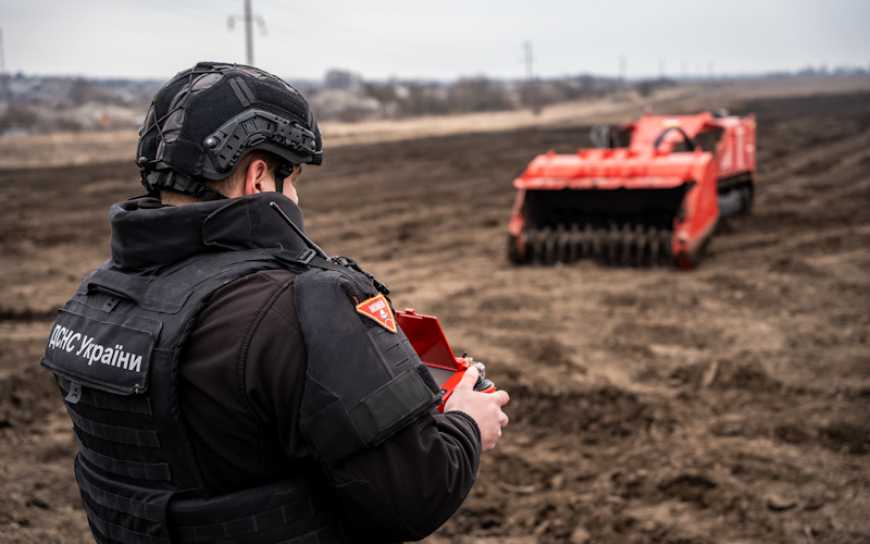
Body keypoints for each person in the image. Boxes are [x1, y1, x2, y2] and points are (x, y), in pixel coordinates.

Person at [40, 62, 510, 544]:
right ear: (260, 177)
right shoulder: (300, 307)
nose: (297, 196)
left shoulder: (95, 301)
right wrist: (467, 425)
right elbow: (414, 495)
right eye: (295, 177)